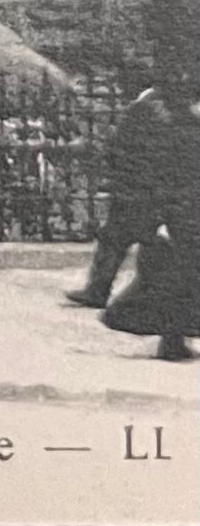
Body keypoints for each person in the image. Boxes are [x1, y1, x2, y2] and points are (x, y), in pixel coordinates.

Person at [101, 58, 200, 361]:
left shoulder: (179, 122)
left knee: (175, 276)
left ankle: (172, 340)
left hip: (179, 211)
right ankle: (171, 341)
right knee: (178, 277)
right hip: (183, 211)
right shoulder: (183, 126)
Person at [65, 82, 167, 308]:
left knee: (116, 239)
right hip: (154, 187)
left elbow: (123, 144)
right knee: (138, 240)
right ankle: (103, 290)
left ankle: (98, 290)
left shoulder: (149, 104)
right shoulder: (163, 104)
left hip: (139, 186)